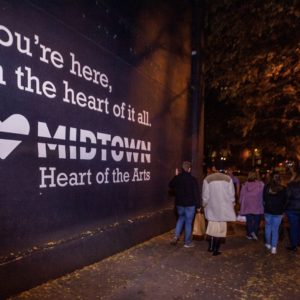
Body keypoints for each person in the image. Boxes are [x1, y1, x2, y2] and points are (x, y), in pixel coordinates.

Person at [202, 168, 236, 256]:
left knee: (212, 229)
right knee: (220, 230)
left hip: (212, 207)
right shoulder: (228, 179)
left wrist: (204, 204)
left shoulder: (207, 179)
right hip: (223, 208)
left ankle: (210, 247)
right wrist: (232, 203)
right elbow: (231, 194)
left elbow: (205, 195)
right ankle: (216, 250)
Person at [169, 161, 200, 248]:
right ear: (189, 169)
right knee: (188, 223)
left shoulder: (178, 178)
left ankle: (176, 236)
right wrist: (198, 205)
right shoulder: (193, 180)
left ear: (182, 168)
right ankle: (187, 242)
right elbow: (196, 193)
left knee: (180, 218)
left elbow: (170, 185)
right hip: (190, 204)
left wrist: (175, 176)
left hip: (179, 204)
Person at [263, 172, 287, 254]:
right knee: (275, 229)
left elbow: (264, 199)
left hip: (268, 210)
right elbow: (285, 201)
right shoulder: (283, 188)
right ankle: (274, 247)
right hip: (278, 211)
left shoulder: (266, 187)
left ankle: (268, 243)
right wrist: (283, 211)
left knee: (268, 227)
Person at [239, 171, 264, 240]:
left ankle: (249, 234)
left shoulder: (245, 184)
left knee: (249, 221)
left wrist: (240, 202)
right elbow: (263, 195)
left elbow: (242, 195)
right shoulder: (260, 184)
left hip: (247, 205)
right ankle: (255, 233)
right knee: (257, 221)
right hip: (257, 205)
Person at [285, 167, 300, 252]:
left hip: (293, 209)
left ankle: (294, 245)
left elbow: (287, 198)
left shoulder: (291, 185)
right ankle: (298, 242)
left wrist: (285, 208)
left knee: (294, 227)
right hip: (293, 208)